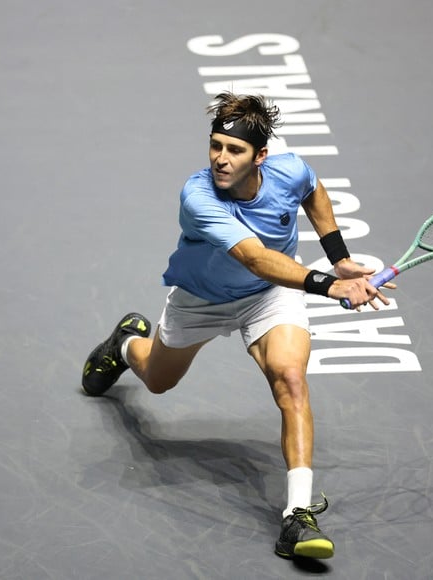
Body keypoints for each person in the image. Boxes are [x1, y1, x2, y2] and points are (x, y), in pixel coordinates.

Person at [81, 92, 390, 560]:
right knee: (159, 380)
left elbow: (312, 190)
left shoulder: (290, 170)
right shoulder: (198, 196)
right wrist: (331, 285)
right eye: (215, 146)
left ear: (261, 155)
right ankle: (125, 343)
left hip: (270, 296)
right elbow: (255, 257)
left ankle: (298, 516)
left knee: (291, 380)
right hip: (202, 299)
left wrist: (340, 257)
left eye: (235, 150)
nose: (221, 159)